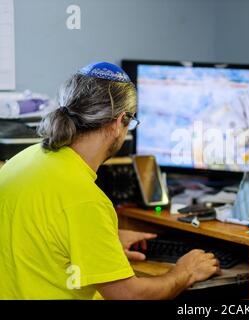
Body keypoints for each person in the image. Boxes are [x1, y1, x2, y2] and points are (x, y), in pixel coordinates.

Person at [0, 62, 220, 300]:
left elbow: (37, 238)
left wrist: (105, 241)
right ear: (119, 122)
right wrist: (185, 273)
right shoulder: (85, 200)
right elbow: (129, 296)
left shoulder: (24, 160)